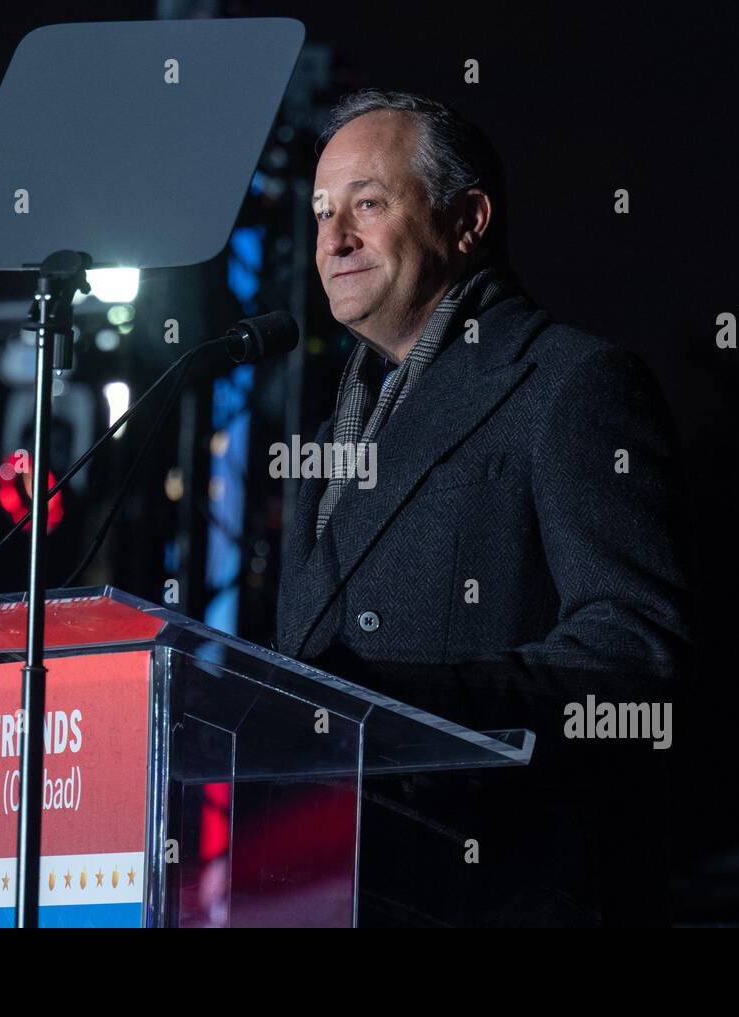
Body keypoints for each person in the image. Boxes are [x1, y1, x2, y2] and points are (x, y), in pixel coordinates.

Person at [275, 90, 694, 926]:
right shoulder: (328, 433)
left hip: (499, 894)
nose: (333, 240)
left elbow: (635, 660)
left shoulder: (573, 385)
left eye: (367, 203)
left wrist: (396, 707)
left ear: (466, 221)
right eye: (322, 212)